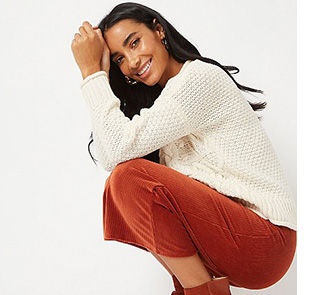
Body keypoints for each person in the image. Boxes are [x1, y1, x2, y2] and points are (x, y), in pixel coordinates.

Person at [71, 2, 297, 295]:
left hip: (266, 239)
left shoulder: (198, 79)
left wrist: (91, 73)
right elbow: (108, 155)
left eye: (135, 42)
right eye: (118, 60)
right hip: (232, 239)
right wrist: (102, 76)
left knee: (129, 177)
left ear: (159, 29)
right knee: (120, 188)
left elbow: (116, 153)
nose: (132, 61)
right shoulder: (160, 104)